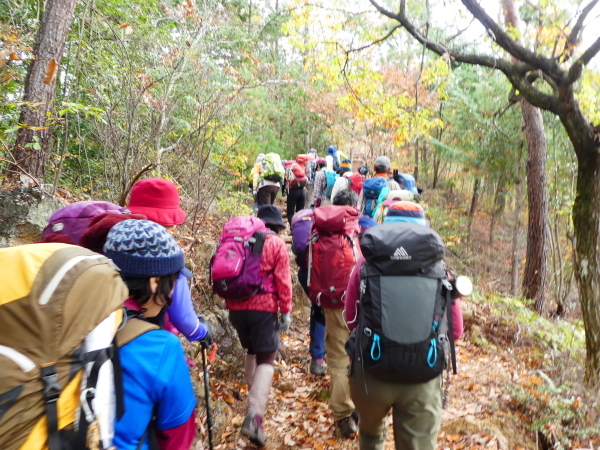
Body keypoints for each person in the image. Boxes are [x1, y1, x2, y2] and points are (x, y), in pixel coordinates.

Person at [344, 202, 464, 450]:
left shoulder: (365, 264)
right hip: (423, 373)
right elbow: (456, 331)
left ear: (386, 225)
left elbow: (350, 318)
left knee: (371, 437)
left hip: (371, 372)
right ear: (424, 228)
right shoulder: (439, 270)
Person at [103, 219, 201, 449]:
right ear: (155, 281)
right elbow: (178, 435)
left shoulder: (76, 317)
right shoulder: (160, 347)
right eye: (174, 280)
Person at [226, 205, 293, 446]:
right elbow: (283, 280)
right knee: (267, 357)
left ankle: (251, 398)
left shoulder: (239, 238)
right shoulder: (275, 243)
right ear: (277, 226)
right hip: (263, 308)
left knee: (251, 350)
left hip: (235, 307)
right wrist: (286, 310)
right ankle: (254, 417)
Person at [126, 177, 210, 343]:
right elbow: (183, 318)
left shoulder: (113, 239)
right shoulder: (166, 253)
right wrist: (203, 332)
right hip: (153, 342)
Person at [315, 188, 360, 438]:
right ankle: (359, 407)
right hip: (360, 300)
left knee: (339, 357)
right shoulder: (358, 228)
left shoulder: (320, 227)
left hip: (333, 300)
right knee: (361, 355)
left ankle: (344, 416)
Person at [286, 156, 308, 227]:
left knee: (290, 211)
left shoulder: (288, 167)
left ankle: (292, 228)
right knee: (300, 211)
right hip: (303, 190)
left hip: (293, 191)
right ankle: (300, 228)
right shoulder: (299, 167)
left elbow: (286, 180)